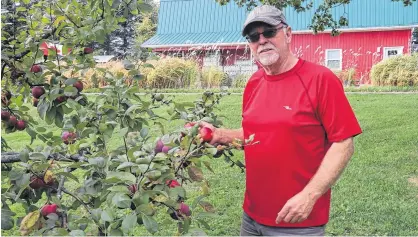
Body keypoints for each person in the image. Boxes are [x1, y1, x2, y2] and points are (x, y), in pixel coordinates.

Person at [199, 5, 363, 236]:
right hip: (252, 216)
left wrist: (310, 196)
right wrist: (220, 135)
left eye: (269, 32)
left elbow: (344, 143)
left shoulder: (320, 79)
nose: (262, 40)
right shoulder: (254, 83)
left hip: (298, 222)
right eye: (254, 36)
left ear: (287, 34)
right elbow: (256, 134)